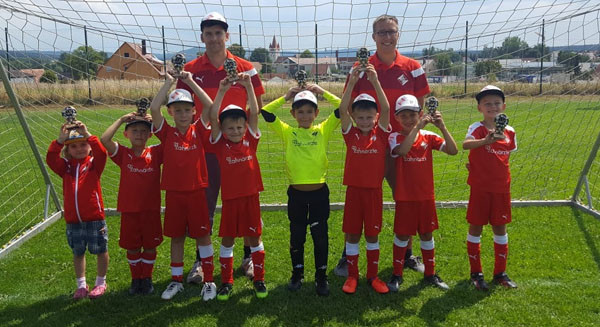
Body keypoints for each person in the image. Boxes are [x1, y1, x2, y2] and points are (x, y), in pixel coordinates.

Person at [336, 14, 431, 276]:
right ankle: (348, 256)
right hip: (372, 144)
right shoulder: (362, 66)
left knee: (406, 199)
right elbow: (348, 103)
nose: (387, 37)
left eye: (391, 32)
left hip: (404, 146)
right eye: (382, 32)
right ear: (373, 36)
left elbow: (423, 102)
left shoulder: (412, 66)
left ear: (398, 34)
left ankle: (408, 254)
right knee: (360, 197)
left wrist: (411, 133)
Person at [177, 11, 265, 283]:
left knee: (246, 202)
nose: (214, 38)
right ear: (202, 37)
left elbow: (257, 107)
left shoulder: (245, 67)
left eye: (219, 33)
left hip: (240, 151)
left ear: (227, 36)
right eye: (209, 33)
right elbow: (181, 106)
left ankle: (249, 256)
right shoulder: (190, 69)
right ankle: (201, 262)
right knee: (205, 206)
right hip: (203, 151)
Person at [261, 85, 341, 296]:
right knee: (297, 236)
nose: (305, 116)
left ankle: (321, 277)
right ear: (293, 113)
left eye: (309, 111)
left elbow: (345, 107)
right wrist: (287, 95)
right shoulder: (288, 132)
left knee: (320, 236)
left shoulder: (322, 130)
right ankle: (297, 274)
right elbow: (266, 112)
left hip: (319, 193)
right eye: (300, 111)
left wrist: (322, 92)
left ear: (316, 113)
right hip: (296, 194)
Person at [150, 71, 217, 301]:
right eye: (177, 110)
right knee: (176, 237)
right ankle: (176, 280)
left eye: (187, 109)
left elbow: (209, 106)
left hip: (197, 192)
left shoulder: (198, 129)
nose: (182, 114)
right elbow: (153, 109)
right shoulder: (166, 133)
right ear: (171, 112)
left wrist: (189, 82)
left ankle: (209, 280)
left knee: (203, 237)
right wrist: (168, 83)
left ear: (193, 111)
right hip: (174, 195)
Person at [387, 94, 458, 292]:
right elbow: (402, 151)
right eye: (404, 116)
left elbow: (453, 151)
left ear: (420, 114)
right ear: (396, 118)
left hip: (426, 196)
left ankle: (430, 273)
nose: (409, 119)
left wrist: (442, 127)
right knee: (402, 235)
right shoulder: (395, 137)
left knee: (426, 234)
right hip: (405, 197)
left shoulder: (429, 137)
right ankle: (396, 274)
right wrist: (418, 128)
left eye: (413, 115)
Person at [205, 74, 267, 300]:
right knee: (228, 239)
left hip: (251, 198)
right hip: (230, 200)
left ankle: (259, 279)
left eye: (239, 127)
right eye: (230, 128)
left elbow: (254, 112)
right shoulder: (220, 144)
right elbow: (213, 115)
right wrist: (221, 90)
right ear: (223, 129)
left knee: (254, 239)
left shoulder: (251, 138)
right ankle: (227, 281)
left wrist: (249, 85)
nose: (236, 131)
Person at [338, 66, 390, 294]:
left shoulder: (381, 133)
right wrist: (352, 82)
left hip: (373, 193)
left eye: (369, 117)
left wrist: (375, 81)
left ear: (376, 117)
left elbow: (386, 107)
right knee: (352, 234)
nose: (365, 120)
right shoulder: (351, 134)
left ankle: (373, 276)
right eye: (360, 117)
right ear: (354, 117)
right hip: (354, 192)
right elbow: (342, 108)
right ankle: (352, 276)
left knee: (372, 234)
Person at [100, 113, 163, 295]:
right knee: (133, 246)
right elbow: (105, 139)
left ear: (150, 135)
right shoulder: (123, 154)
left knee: (150, 245)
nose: (139, 134)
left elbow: (167, 140)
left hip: (150, 210)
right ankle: (136, 279)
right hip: (129, 210)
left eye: (144, 131)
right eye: (134, 130)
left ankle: (147, 278)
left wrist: (154, 124)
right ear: (126, 134)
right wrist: (120, 120)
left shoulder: (155, 153)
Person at [46, 122, 109, 300]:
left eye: (83, 144)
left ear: (89, 147)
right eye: (73, 146)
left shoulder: (94, 165)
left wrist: (88, 134)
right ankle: (81, 285)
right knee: (78, 252)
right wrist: (60, 140)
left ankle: (100, 282)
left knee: (100, 250)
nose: (79, 149)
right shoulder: (65, 168)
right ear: (67, 150)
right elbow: (51, 158)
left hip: (95, 218)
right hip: (73, 221)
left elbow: (102, 152)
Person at [463, 85, 518, 291]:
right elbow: (466, 144)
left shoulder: (510, 131)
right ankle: (476, 273)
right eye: (487, 104)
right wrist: (485, 140)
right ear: (479, 108)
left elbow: (506, 156)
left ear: (503, 106)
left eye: (496, 103)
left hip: (502, 189)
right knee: (476, 227)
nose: (492, 107)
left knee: (500, 228)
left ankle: (500, 273)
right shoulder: (476, 128)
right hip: (480, 188)